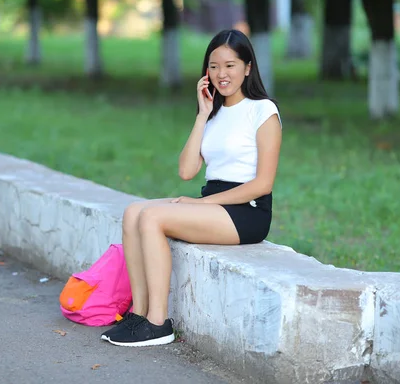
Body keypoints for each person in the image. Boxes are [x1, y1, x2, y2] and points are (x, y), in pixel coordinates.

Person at [101, 29, 282, 347]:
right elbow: (186, 170)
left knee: (153, 217)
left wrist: (201, 205)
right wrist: (201, 116)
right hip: (214, 204)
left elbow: (262, 185)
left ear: (248, 67)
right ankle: (140, 314)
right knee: (133, 213)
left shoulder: (263, 111)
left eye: (230, 65)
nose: (221, 74)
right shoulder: (214, 114)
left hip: (247, 212)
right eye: (213, 66)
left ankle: (158, 323)